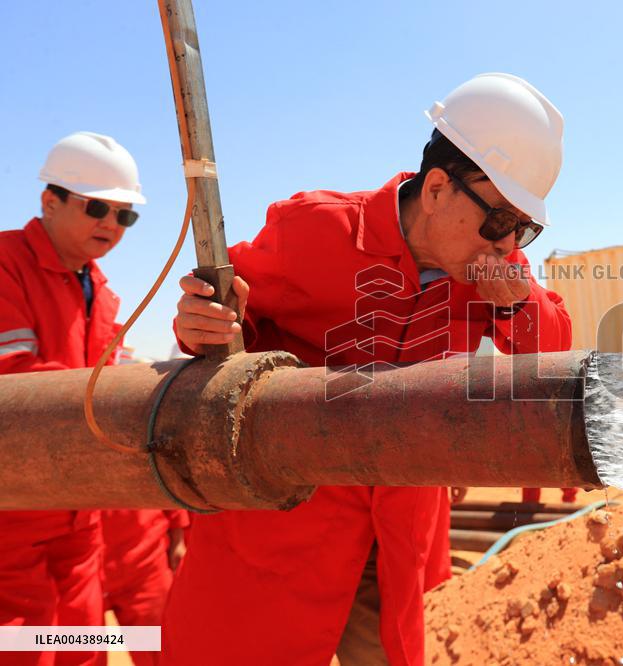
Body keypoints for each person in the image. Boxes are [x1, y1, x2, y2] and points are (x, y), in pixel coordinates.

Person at [163, 73, 572, 665]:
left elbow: (554, 353)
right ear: (437, 189)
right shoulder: (313, 230)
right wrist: (201, 324)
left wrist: (519, 302)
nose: (509, 244)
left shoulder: (493, 267)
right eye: (500, 222)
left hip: (399, 542)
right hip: (285, 530)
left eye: (523, 229)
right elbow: (223, 320)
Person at [0, 131, 146, 666]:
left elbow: (115, 385)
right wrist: (119, 406)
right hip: (11, 514)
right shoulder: (4, 265)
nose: (112, 224)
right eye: (97, 207)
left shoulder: (103, 295)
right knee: (21, 649)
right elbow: (15, 383)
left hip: (80, 517)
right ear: (50, 201)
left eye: (125, 215)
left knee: (84, 649)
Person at [98, 510, 188, 666]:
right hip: (80, 568)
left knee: (160, 654)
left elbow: (169, 493)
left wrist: (178, 535)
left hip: (144, 562)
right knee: (77, 650)